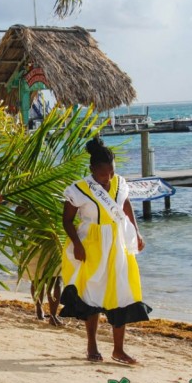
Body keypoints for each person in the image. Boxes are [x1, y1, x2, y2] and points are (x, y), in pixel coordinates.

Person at [60, 137, 150, 365]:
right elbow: (67, 220)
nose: (107, 178)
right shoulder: (79, 189)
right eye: (102, 173)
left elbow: (125, 205)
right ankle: (92, 345)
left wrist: (137, 233)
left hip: (119, 245)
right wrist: (77, 245)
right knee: (92, 296)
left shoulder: (120, 183)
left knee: (122, 294)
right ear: (92, 170)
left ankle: (118, 350)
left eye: (111, 172)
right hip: (92, 246)